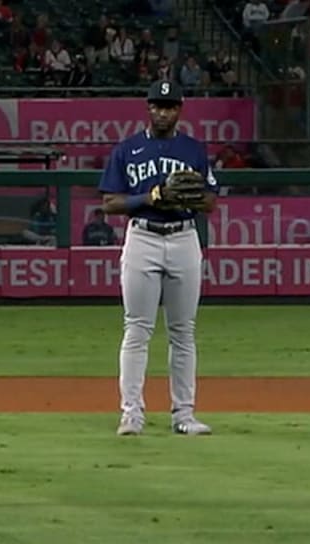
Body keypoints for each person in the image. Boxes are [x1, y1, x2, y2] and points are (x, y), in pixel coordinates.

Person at [97, 79, 218, 437]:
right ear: (147, 108)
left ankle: (184, 414)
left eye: (169, 106)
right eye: (156, 105)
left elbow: (210, 201)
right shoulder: (127, 150)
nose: (162, 112)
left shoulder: (194, 149)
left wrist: (186, 198)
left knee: (183, 331)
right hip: (143, 238)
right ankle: (131, 413)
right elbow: (109, 203)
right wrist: (152, 196)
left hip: (183, 237)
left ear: (179, 109)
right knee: (137, 329)